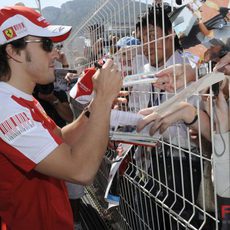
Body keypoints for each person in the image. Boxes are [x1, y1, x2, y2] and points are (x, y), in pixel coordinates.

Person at [0, 5, 122, 230]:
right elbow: (81, 170)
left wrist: (93, 107)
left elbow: (61, 138)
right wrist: (104, 99)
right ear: (13, 52)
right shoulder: (5, 107)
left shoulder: (20, 99)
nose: (56, 53)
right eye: (47, 44)